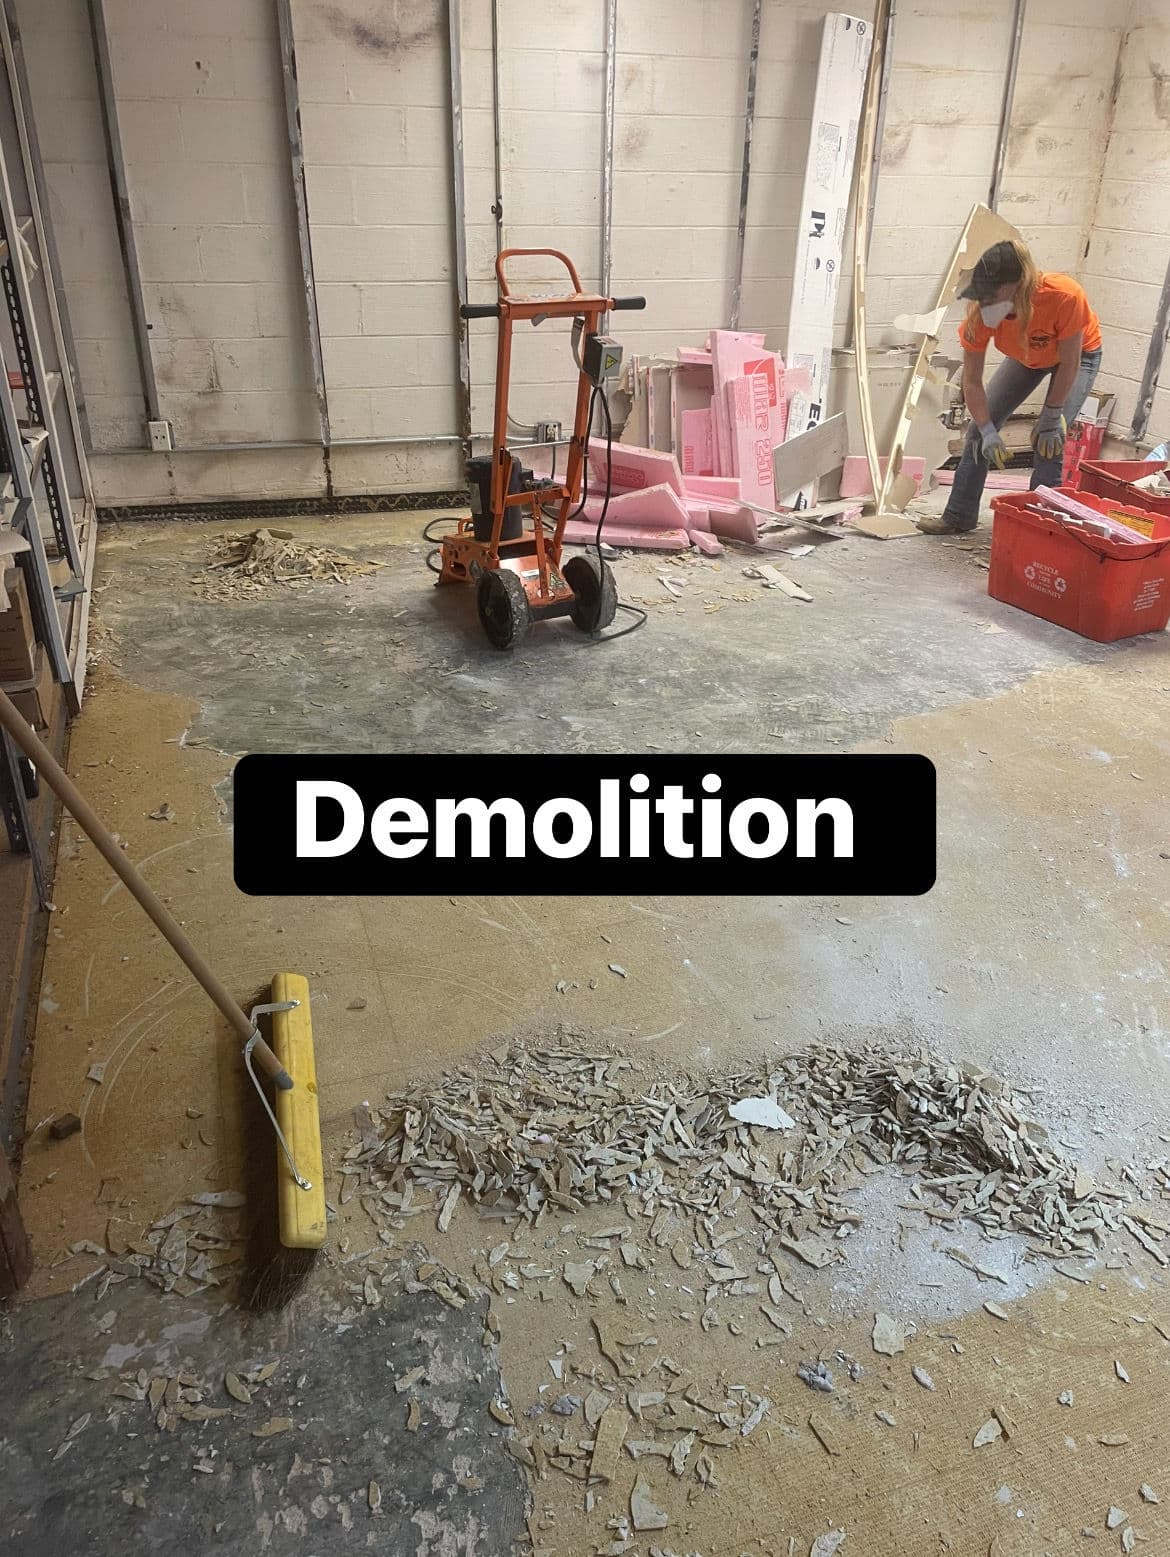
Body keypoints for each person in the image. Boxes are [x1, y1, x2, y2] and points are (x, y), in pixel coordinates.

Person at [917, 239, 1102, 534]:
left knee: (1049, 437)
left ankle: (1040, 528)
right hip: (1026, 357)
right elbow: (973, 382)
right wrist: (988, 430)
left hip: (1077, 357)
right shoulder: (982, 314)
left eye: (993, 293)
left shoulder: (1064, 296)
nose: (985, 301)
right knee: (979, 431)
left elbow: (1070, 363)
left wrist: (1052, 417)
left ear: (1018, 284)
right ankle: (958, 516)